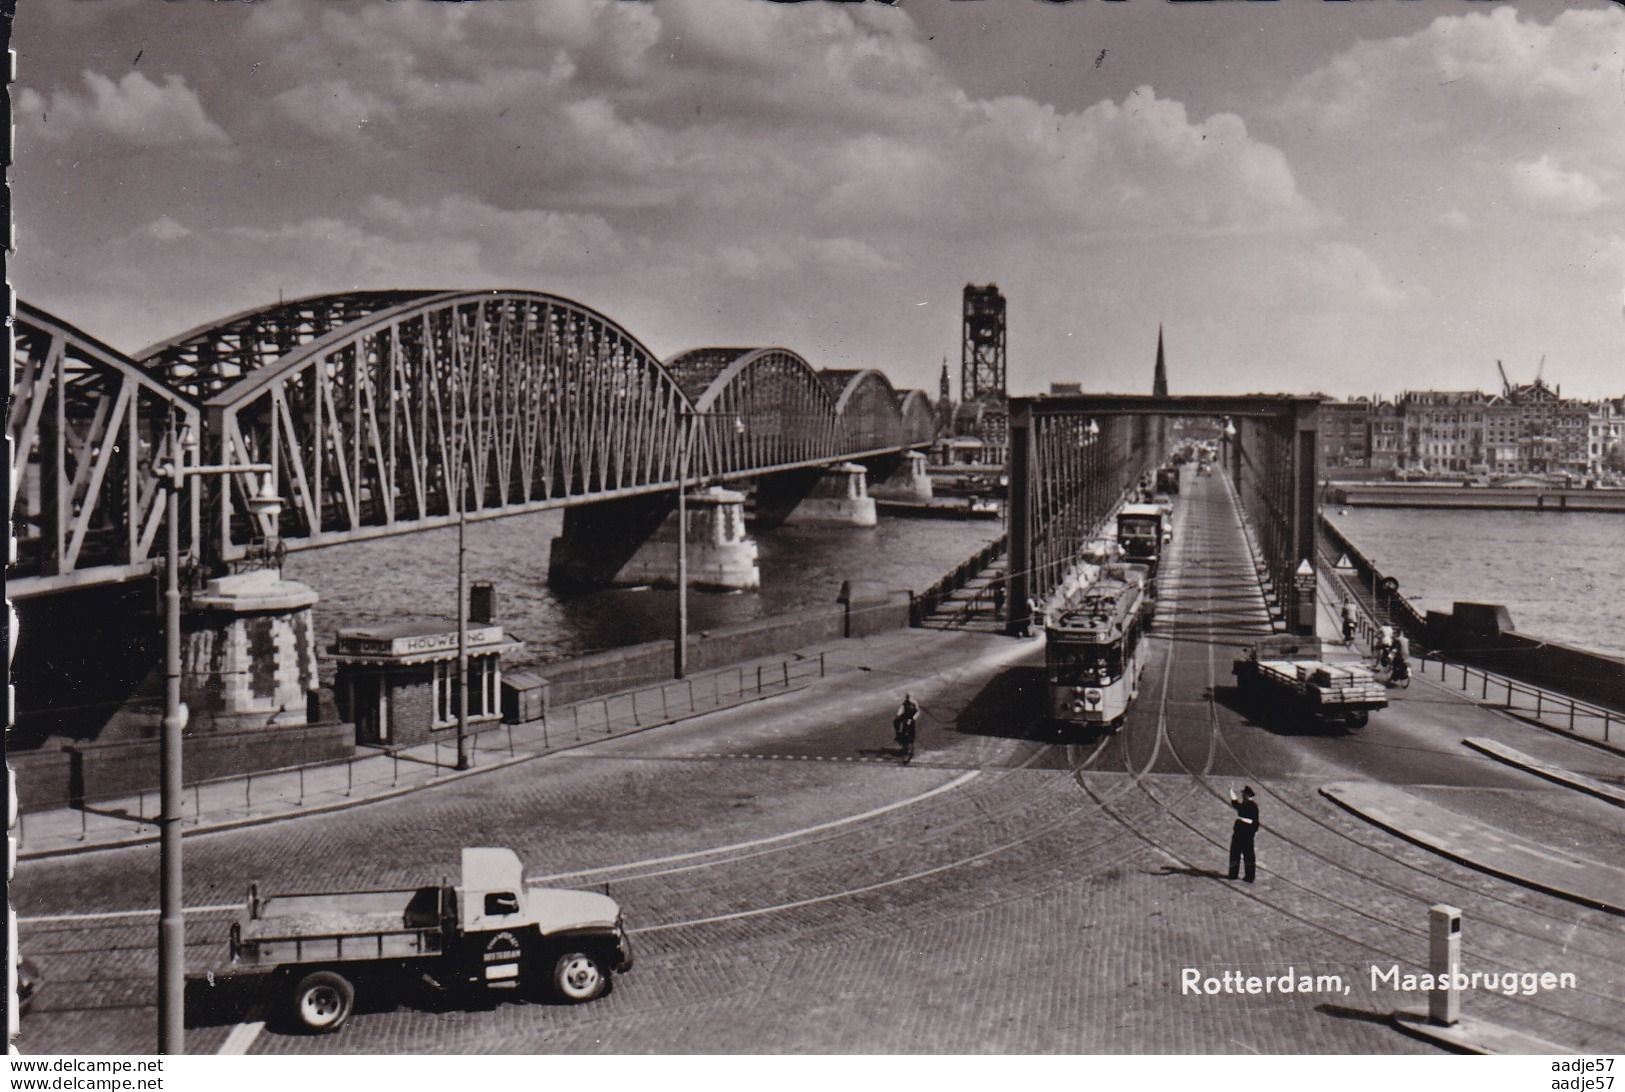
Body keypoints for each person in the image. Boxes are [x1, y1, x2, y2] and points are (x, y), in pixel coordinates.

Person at [1227, 785, 1259, 883]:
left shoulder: (1251, 805)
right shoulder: (1248, 804)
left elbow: (1238, 807)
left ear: (1246, 795)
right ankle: (1242, 875)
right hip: (1244, 832)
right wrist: (1231, 792)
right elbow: (1236, 805)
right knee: (1238, 853)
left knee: (1244, 854)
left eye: (1243, 794)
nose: (1242, 796)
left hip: (1245, 833)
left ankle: (1243, 875)